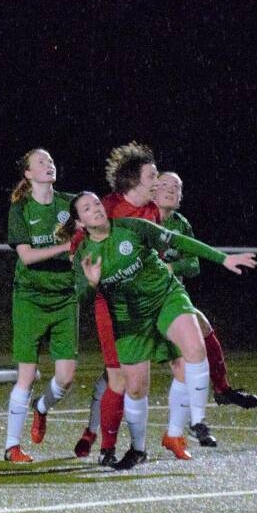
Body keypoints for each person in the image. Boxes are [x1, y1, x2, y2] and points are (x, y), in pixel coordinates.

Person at [57, 191, 257, 469]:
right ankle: (138, 449)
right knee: (135, 388)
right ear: (80, 221)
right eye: (88, 208)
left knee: (195, 348)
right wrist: (91, 283)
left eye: (97, 204)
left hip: (165, 297)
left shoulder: (131, 227)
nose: (97, 209)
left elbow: (177, 241)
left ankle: (197, 421)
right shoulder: (84, 254)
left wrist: (222, 258)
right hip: (129, 317)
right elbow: (82, 297)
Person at [72, 142, 163, 466]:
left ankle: (149, 442)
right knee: (118, 379)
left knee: (141, 378)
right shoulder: (108, 207)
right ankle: (106, 448)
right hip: (113, 306)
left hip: (146, 303)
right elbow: (81, 245)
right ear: (135, 179)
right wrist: (87, 271)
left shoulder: (152, 211)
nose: (159, 181)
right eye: (153, 175)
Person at [154, 170, 257, 428]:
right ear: (151, 190)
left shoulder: (180, 224)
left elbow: (193, 265)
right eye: (164, 184)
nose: (171, 189)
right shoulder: (141, 219)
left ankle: (220, 392)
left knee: (197, 334)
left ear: (181, 197)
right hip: (143, 303)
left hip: (171, 299)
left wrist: (171, 267)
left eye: (177, 187)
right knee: (124, 376)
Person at [2, 148, 78, 463]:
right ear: (29, 174)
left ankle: (42, 407)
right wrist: (66, 247)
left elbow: (88, 238)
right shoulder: (20, 208)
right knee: (27, 374)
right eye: (41, 162)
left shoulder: (70, 205)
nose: (49, 164)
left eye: (51, 160)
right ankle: (12, 447)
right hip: (30, 298)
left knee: (66, 377)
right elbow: (27, 257)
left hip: (65, 297)